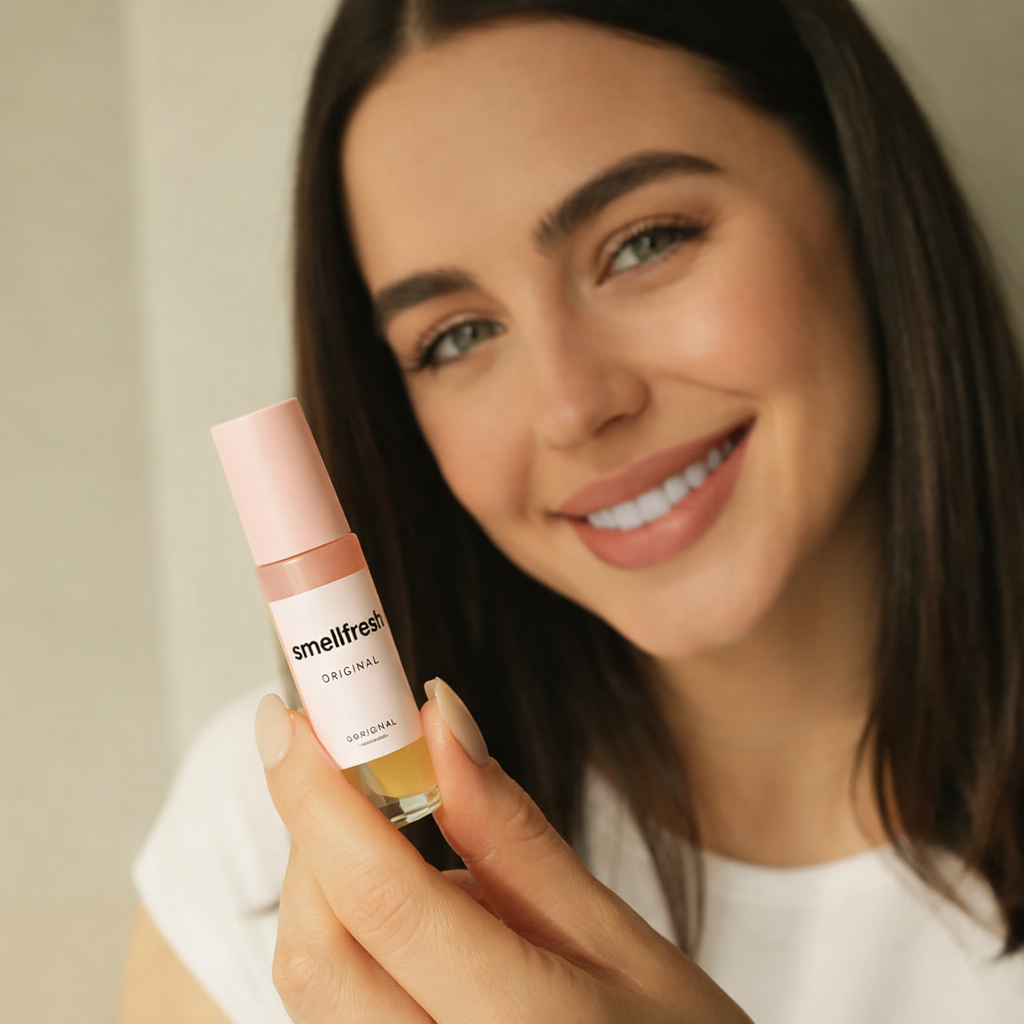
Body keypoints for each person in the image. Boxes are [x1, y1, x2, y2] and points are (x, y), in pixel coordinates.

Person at [119, 1, 1024, 1021]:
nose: (570, 409)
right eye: (457, 336)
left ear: (858, 192)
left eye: (644, 243)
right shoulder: (284, 856)